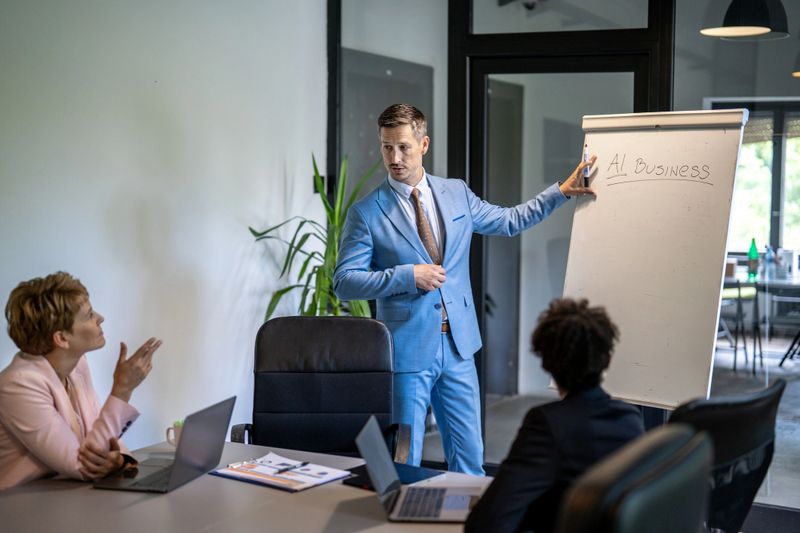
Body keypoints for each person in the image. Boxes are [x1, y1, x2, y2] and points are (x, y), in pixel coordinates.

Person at [333, 103, 596, 475]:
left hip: (458, 346)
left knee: (470, 458)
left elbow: (508, 221)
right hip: (407, 351)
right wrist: (407, 276)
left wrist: (560, 193)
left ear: (424, 144)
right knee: (404, 459)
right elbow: (345, 281)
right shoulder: (366, 212)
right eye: (387, 147)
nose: (394, 158)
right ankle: (400, 511)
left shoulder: (455, 193)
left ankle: (464, 512)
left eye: (403, 147)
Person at [464, 298, 645, 533]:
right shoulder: (630, 419)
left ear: (546, 364)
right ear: (607, 360)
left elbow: (487, 524)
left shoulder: (548, 424)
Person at [0, 272, 162, 490]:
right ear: (62, 338)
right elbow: (82, 466)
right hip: (19, 503)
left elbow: (98, 432)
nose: (100, 318)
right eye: (89, 315)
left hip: (65, 495)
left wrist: (118, 459)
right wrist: (122, 390)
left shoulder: (77, 365)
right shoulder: (18, 384)